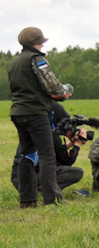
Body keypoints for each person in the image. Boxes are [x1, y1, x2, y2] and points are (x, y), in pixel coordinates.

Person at [7, 27, 72, 207]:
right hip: (35, 113)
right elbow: (51, 86)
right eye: (41, 41)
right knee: (47, 156)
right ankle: (53, 200)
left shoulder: (14, 63)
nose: (43, 44)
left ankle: (27, 200)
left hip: (18, 113)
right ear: (36, 43)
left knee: (27, 155)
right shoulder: (37, 59)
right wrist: (66, 90)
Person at [9, 102, 90, 196]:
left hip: (18, 177)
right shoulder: (50, 134)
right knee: (77, 172)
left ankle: (38, 190)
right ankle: (43, 190)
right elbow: (67, 160)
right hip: (30, 178)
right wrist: (77, 145)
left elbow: (50, 150)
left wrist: (69, 145)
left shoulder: (37, 130)